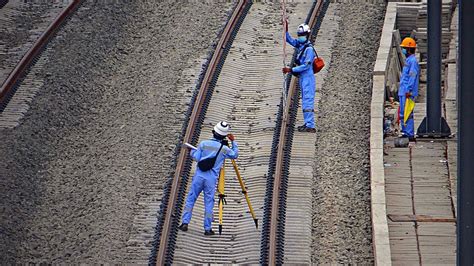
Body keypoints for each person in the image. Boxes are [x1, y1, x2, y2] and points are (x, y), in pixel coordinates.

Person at [178, 121, 239, 235]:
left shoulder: (204, 144)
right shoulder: (224, 149)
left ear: (213, 132)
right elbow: (235, 155)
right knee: (209, 202)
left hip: (199, 176)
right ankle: (207, 228)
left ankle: (185, 222)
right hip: (211, 179)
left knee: (191, 199)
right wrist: (233, 141)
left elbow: (196, 157)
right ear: (224, 136)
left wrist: (191, 151)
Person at [282, 22, 316, 133]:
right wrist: (285, 30)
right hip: (303, 78)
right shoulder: (301, 45)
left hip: (307, 78)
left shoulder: (309, 49)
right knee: (305, 100)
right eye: (299, 35)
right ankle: (307, 123)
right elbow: (290, 40)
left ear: (307, 35)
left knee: (307, 101)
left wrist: (291, 70)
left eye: (302, 35)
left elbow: (306, 66)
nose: (300, 37)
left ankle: (310, 125)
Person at [398, 37, 419, 140]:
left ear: (409, 49)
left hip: (407, 92)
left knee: (407, 112)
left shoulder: (413, 61)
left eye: (405, 48)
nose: (404, 50)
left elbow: (412, 76)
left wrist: (409, 90)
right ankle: (405, 131)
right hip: (404, 90)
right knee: (403, 113)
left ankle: (409, 133)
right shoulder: (409, 60)